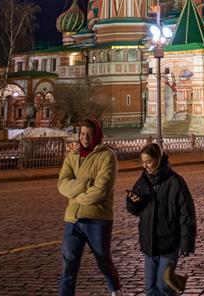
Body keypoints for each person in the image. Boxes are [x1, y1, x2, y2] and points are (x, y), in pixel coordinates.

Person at [57, 118, 123, 296]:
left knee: (103, 261)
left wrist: (76, 194)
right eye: (82, 134)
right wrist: (86, 183)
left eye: (89, 134)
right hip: (73, 219)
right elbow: (62, 184)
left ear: (97, 136)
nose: (85, 138)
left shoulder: (107, 156)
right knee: (68, 265)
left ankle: (115, 290)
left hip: (97, 219)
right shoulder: (72, 155)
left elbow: (101, 190)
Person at [126, 144, 196, 296]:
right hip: (149, 243)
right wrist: (133, 202)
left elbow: (186, 214)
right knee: (150, 288)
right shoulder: (142, 181)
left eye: (149, 162)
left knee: (163, 286)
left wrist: (186, 243)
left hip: (169, 243)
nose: (146, 166)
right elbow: (134, 210)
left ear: (159, 159)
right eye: (143, 162)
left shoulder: (175, 182)